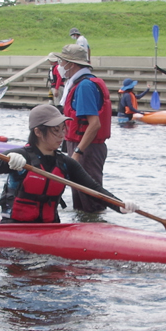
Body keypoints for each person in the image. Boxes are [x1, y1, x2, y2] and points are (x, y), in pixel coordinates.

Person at [0, 104, 123, 222]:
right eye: (55, 131)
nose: (61, 136)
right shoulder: (19, 156)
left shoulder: (66, 163)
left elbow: (94, 189)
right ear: (38, 132)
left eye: (63, 130)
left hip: (49, 227)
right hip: (15, 227)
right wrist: (7, 162)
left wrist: (121, 206)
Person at [53, 42, 111, 213]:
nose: (60, 66)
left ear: (71, 64)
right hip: (81, 145)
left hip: (87, 148)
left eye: (62, 62)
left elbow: (94, 124)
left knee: (90, 199)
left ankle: (96, 228)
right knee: (80, 198)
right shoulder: (78, 83)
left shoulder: (85, 85)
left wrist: (77, 153)